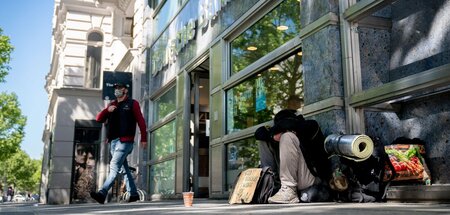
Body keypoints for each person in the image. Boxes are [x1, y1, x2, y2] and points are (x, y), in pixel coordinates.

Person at [255, 109, 330, 204]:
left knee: (287, 137)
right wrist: (272, 136)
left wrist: (283, 131)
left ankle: (289, 191)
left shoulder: (309, 126)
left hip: (311, 179)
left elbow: (291, 125)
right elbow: (259, 133)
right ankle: (270, 184)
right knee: (264, 140)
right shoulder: (277, 134)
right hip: (286, 180)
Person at [90, 82, 147, 204]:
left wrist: (144, 138)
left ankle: (102, 193)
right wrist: (107, 110)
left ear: (125, 90)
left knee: (114, 166)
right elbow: (98, 119)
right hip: (113, 143)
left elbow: (141, 121)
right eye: (115, 88)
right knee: (124, 169)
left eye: (119, 88)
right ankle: (134, 194)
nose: (117, 90)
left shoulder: (132, 103)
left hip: (125, 142)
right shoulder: (112, 105)